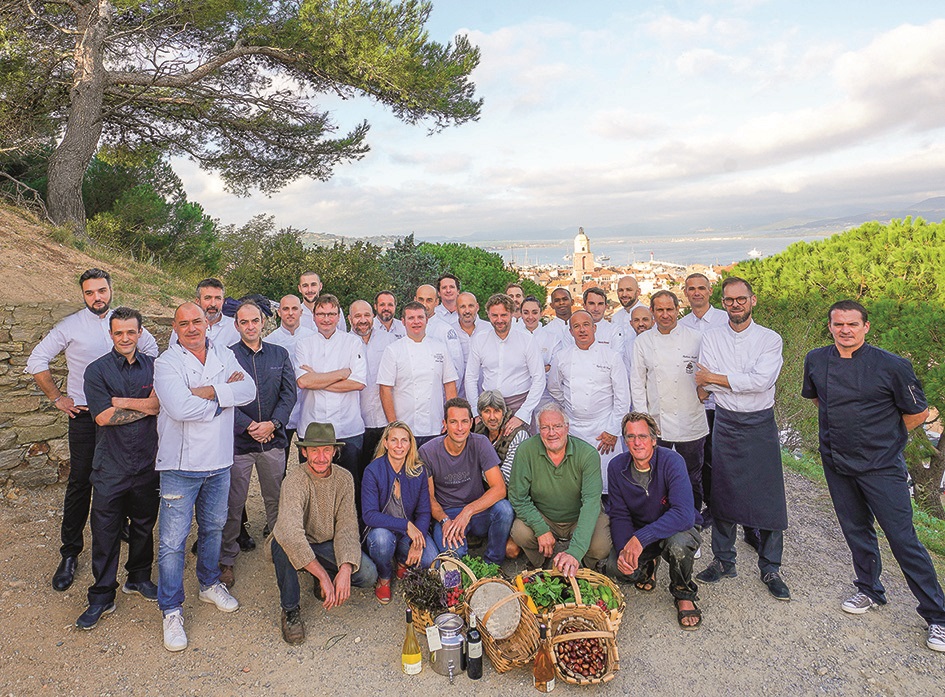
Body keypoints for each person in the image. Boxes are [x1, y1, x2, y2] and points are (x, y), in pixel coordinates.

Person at [802, 300, 945, 652]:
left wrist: (884, 439)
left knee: (902, 538)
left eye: (853, 324)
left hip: (881, 467)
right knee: (856, 530)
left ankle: (938, 616)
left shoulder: (893, 366)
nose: (845, 330)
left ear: (866, 327)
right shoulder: (816, 360)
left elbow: (917, 412)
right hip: (836, 462)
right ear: (830, 326)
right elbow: (821, 401)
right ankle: (869, 590)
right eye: (838, 324)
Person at [26, 268, 158, 591]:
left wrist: (139, 401)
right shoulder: (70, 327)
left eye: (101, 290)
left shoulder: (126, 324)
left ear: (111, 290)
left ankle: (125, 530)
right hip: (86, 417)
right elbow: (36, 360)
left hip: (126, 416)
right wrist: (57, 397)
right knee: (81, 482)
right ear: (83, 295)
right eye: (89, 293)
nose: (97, 297)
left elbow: (154, 358)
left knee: (129, 475)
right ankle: (70, 553)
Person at [154, 302, 256, 652]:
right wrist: (223, 399)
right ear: (176, 327)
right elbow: (178, 408)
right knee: (172, 541)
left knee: (214, 528)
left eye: (197, 321)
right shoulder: (166, 362)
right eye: (184, 323)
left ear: (208, 323)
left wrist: (208, 391)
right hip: (181, 466)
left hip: (219, 462)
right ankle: (171, 609)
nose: (192, 328)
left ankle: (209, 583)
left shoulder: (225, 355)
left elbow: (249, 391)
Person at [694, 277, 790, 601]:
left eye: (741, 299)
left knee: (769, 494)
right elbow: (703, 386)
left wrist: (717, 379)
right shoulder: (711, 337)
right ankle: (723, 560)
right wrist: (729, 381)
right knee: (722, 492)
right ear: (723, 303)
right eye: (729, 300)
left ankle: (771, 567)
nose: (735, 304)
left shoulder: (770, 339)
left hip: (760, 422)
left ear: (753, 300)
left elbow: (761, 382)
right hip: (725, 421)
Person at [76, 307, 161, 630]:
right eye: (118, 332)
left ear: (140, 333)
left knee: (143, 525)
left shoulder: (155, 367)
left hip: (147, 463)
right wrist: (144, 406)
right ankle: (101, 595)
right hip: (110, 466)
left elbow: (158, 405)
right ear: (110, 334)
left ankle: (138, 578)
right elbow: (101, 417)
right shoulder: (96, 371)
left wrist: (121, 402)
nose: (125, 338)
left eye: (131, 332)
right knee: (105, 533)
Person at [270, 422, 378, 645]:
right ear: (303, 451)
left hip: (324, 542)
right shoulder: (294, 481)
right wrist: (323, 576)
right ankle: (290, 610)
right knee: (281, 544)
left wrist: (346, 568)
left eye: (326, 450)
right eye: (314, 450)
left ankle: (318, 573)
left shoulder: (344, 478)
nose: (321, 457)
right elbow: (290, 533)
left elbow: (347, 526)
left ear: (334, 451)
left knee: (367, 575)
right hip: (296, 541)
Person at [220, 301, 296, 588]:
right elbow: (223, 395)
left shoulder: (279, 353)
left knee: (276, 500)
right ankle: (226, 559)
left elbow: (289, 394)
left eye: (255, 321)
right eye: (244, 322)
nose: (250, 326)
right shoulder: (226, 357)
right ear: (237, 325)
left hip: (272, 441)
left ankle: (280, 550)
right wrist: (249, 425)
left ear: (263, 322)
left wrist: (272, 424)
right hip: (239, 442)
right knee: (234, 503)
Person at [607, 412, 701, 629]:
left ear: (653, 439)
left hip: (676, 528)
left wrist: (639, 539)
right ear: (625, 440)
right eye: (630, 437)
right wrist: (624, 550)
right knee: (616, 567)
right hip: (643, 530)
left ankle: (683, 592)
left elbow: (684, 514)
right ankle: (650, 564)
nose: (637, 442)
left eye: (642, 436)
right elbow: (619, 514)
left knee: (679, 545)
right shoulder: (616, 467)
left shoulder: (672, 461)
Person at [630, 290, 708, 517]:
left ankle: (691, 523)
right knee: (656, 475)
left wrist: (706, 390)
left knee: (692, 476)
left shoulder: (695, 338)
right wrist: (644, 421)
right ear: (652, 313)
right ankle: (659, 521)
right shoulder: (643, 342)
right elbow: (637, 383)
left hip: (690, 419)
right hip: (657, 422)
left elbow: (708, 372)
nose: (665, 315)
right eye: (660, 310)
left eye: (669, 309)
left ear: (677, 310)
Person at [509, 403, 612, 575]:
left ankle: (584, 566)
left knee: (601, 546)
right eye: (545, 427)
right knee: (520, 532)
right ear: (538, 430)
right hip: (545, 516)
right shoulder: (526, 451)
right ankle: (540, 562)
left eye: (557, 426)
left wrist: (575, 551)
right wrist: (541, 529)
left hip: (578, 515)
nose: (551, 433)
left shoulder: (587, 454)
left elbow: (591, 503)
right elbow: (517, 496)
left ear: (567, 427)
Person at [420, 398, 513, 564]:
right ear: (445, 424)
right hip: (448, 515)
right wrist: (444, 520)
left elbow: (499, 488)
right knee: (454, 558)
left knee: (504, 510)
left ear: (471, 422)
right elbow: (429, 498)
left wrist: (468, 511)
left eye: (464, 421)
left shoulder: (480, 443)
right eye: (453, 422)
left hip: (477, 511)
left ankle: (492, 565)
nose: (460, 428)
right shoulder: (428, 451)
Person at [547, 310, 629, 496]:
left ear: (594, 328)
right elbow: (553, 387)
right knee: (577, 483)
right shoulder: (562, 357)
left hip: (604, 430)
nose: (582, 330)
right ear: (570, 332)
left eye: (585, 325)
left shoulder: (611, 356)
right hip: (574, 429)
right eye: (576, 326)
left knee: (607, 485)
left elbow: (622, 398)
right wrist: (568, 406)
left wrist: (613, 430)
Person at [295, 293, 366, 498]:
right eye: (321, 314)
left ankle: (351, 529)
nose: (326, 319)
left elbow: (359, 383)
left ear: (338, 316)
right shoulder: (304, 344)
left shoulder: (352, 343)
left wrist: (316, 379)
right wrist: (342, 374)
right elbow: (303, 382)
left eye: (331, 314)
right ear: (314, 316)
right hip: (312, 428)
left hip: (348, 428)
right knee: (313, 489)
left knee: (350, 487)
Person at [362, 421, 438, 604]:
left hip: (407, 533)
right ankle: (385, 576)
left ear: (410, 444)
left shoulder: (418, 471)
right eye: (394, 440)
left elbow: (424, 512)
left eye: (404, 440)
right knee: (382, 540)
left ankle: (403, 560)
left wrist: (417, 542)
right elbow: (369, 515)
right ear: (385, 443)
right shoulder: (373, 470)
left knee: (430, 560)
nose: (399, 445)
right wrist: (406, 525)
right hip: (381, 531)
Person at [678, 272, 730, 532]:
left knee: (719, 456)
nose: (696, 292)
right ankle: (705, 505)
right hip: (694, 402)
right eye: (691, 289)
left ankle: (721, 506)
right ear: (685, 293)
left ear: (710, 291)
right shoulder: (682, 324)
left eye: (701, 288)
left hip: (722, 400)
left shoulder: (724, 320)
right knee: (700, 457)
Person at [377, 301, 458, 447]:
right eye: (411, 318)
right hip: (405, 428)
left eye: (420, 317)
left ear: (427, 320)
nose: (416, 322)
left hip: (436, 425)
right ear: (403, 322)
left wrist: (450, 419)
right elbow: (385, 390)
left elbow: (450, 385)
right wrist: (394, 425)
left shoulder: (440, 348)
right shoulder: (393, 350)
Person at [465, 293, 545, 432]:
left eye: (504, 315)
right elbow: (470, 377)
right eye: (495, 315)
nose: (499, 320)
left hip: (518, 405)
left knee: (521, 451)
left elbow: (539, 378)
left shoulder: (527, 340)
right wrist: (476, 412)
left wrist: (522, 414)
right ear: (488, 315)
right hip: (488, 407)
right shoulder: (479, 339)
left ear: (512, 314)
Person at [473, 390, 529, 559]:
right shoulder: (477, 430)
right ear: (480, 414)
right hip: (485, 494)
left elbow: (505, 482)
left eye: (496, 411)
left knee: (510, 550)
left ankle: (493, 560)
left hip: (512, 499)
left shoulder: (518, 434)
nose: (492, 417)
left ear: (504, 412)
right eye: (486, 411)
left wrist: (478, 470)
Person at [264, 294, 315, 463]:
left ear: (301, 312)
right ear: (279, 312)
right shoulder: (269, 342)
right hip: (281, 411)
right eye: (285, 309)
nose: (290, 313)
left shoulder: (313, 338)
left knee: (309, 463)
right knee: (278, 465)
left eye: (294, 309)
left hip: (309, 407)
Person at [350, 299, 397, 478]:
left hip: (385, 419)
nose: (363, 320)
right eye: (358, 316)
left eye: (367, 315)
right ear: (349, 318)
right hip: (356, 422)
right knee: (359, 474)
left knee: (386, 474)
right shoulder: (344, 343)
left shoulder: (389, 340)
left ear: (373, 316)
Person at [417, 283, 466, 394]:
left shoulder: (446, 331)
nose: (424, 304)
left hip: (438, 397)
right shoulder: (407, 328)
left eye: (429, 300)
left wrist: (447, 400)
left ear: (436, 302)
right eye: (421, 300)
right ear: (415, 299)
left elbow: (457, 369)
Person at [167, 278, 240, 348]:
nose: (213, 304)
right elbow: (172, 354)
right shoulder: (184, 326)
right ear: (198, 301)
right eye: (208, 298)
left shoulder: (235, 328)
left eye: (218, 298)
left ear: (223, 301)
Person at [582, 286, 622, 352]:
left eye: (600, 304)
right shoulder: (573, 330)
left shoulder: (614, 330)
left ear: (606, 306)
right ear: (584, 306)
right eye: (592, 304)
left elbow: (617, 357)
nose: (596, 309)